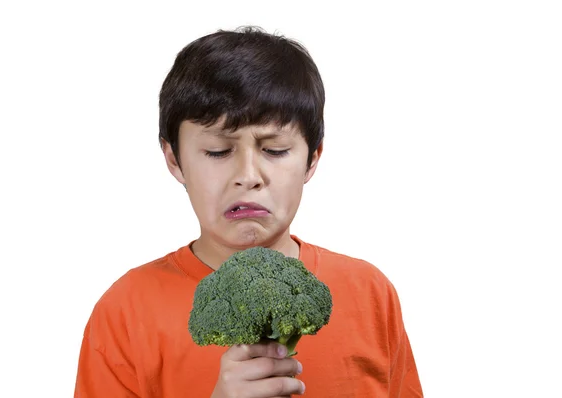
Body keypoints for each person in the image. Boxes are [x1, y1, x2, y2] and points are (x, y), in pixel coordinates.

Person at [74, 26, 423, 397]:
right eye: (218, 151)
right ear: (174, 160)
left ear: (312, 159)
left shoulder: (370, 292)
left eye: (274, 150)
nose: (248, 177)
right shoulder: (126, 310)